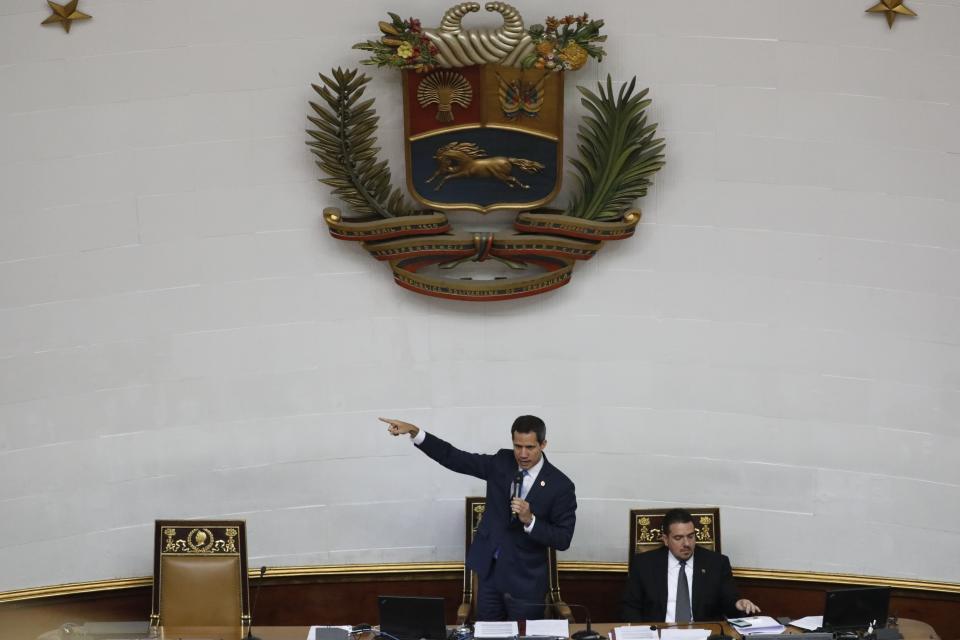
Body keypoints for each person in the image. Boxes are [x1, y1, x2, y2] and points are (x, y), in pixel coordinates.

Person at [381, 415, 577, 621]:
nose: (523, 454)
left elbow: (563, 539)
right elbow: (455, 458)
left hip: (525, 584)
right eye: (517, 446)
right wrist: (415, 432)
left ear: (543, 444)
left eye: (530, 447)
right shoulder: (502, 461)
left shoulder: (560, 486)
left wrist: (531, 520)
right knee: (487, 634)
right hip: (489, 576)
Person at [622, 508, 760, 622]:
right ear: (665, 539)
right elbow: (630, 608)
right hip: (659, 634)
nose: (686, 544)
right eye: (678, 538)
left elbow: (729, 599)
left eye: (690, 536)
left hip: (703, 634)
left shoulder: (716, 563)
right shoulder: (644, 564)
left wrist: (738, 604)